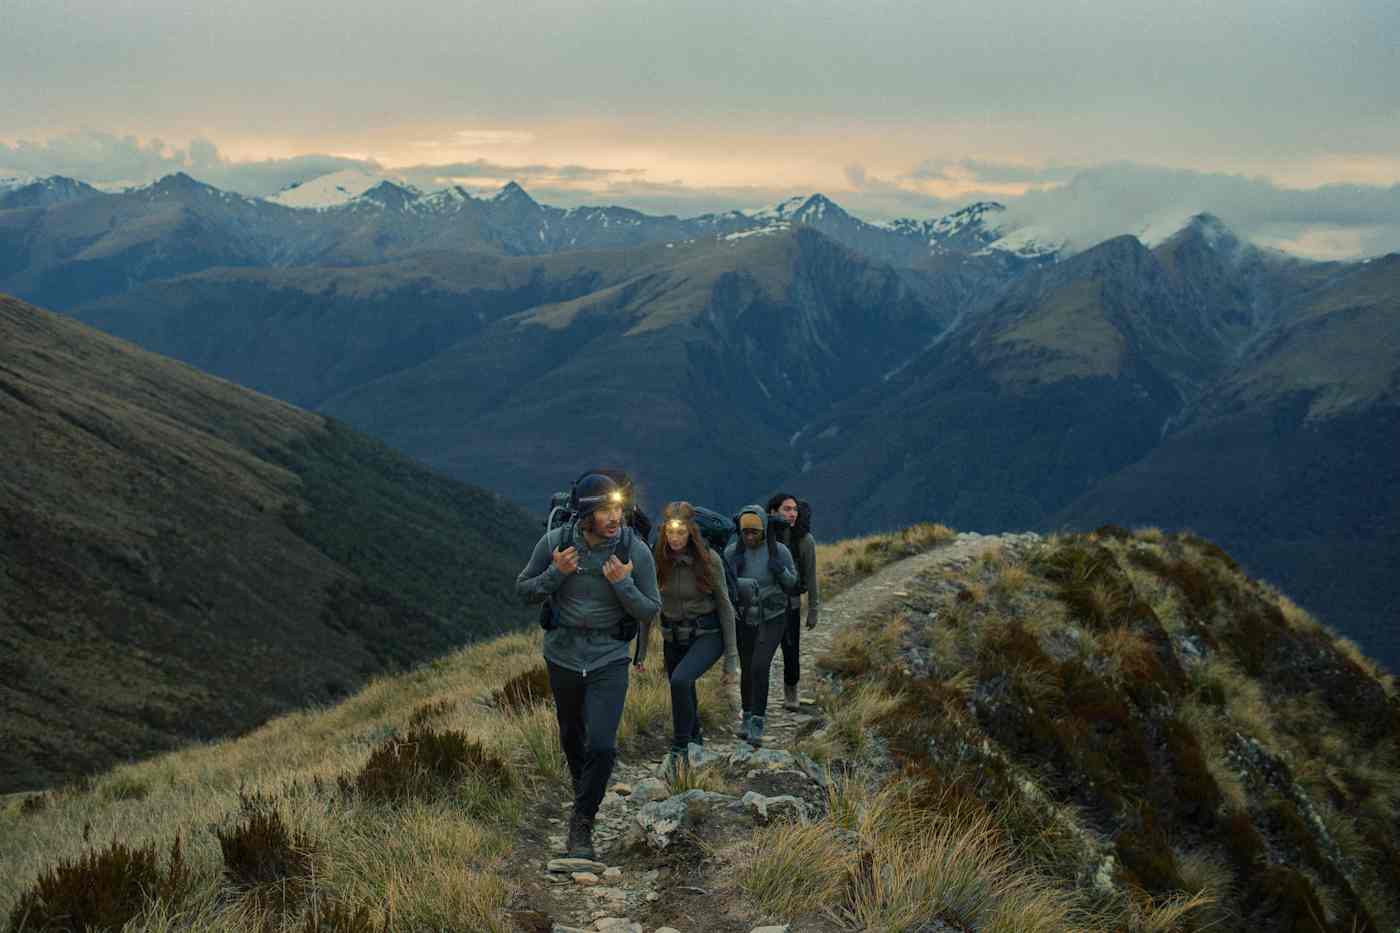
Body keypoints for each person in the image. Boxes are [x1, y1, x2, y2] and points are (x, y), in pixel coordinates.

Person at [516, 473, 660, 860]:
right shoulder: (556, 544)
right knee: (570, 736)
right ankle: (586, 791)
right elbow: (524, 590)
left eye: (618, 508)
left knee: (602, 744)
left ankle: (582, 823)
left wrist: (623, 585)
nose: (615, 517)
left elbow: (651, 610)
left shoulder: (635, 551)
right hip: (562, 654)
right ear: (585, 513)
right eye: (604, 510)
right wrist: (556, 573)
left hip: (609, 657)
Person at [635, 502, 739, 777]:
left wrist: (731, 661)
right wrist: (641, 654)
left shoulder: (709, 561)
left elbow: (726, 608)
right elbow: (648, 609)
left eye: (681, 533)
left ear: (691, 533)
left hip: (708, 634)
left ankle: (679, 748)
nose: (675, 538)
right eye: (670, 533)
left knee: (681, 680)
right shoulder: (658, 562)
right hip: (672, 636)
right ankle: (695, 741)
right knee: (682, 686)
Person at [724, 505, 800, 747]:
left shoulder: (780, 552)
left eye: (754, 533)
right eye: (745, 533)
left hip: (773, 616)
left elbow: (793, 584)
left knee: (759, 665)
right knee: (747, 668)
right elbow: (723, 587)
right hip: (745, 617)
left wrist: (781, 572)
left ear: (764, 530)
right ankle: (746, 717)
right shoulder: (732, 553)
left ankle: (758, 719)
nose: (749, 537)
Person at [767, 492, 820, 711]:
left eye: (794, 509)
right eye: (786, 509)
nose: (792, 514)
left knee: (791, 649)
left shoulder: (804, 540)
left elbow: (810, 575)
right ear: (773, 512)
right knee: (761, 653)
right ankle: (754, 695)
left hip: (791, 604)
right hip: (766, 604)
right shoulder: (765, 536)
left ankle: (791, 689)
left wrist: (813, 608)